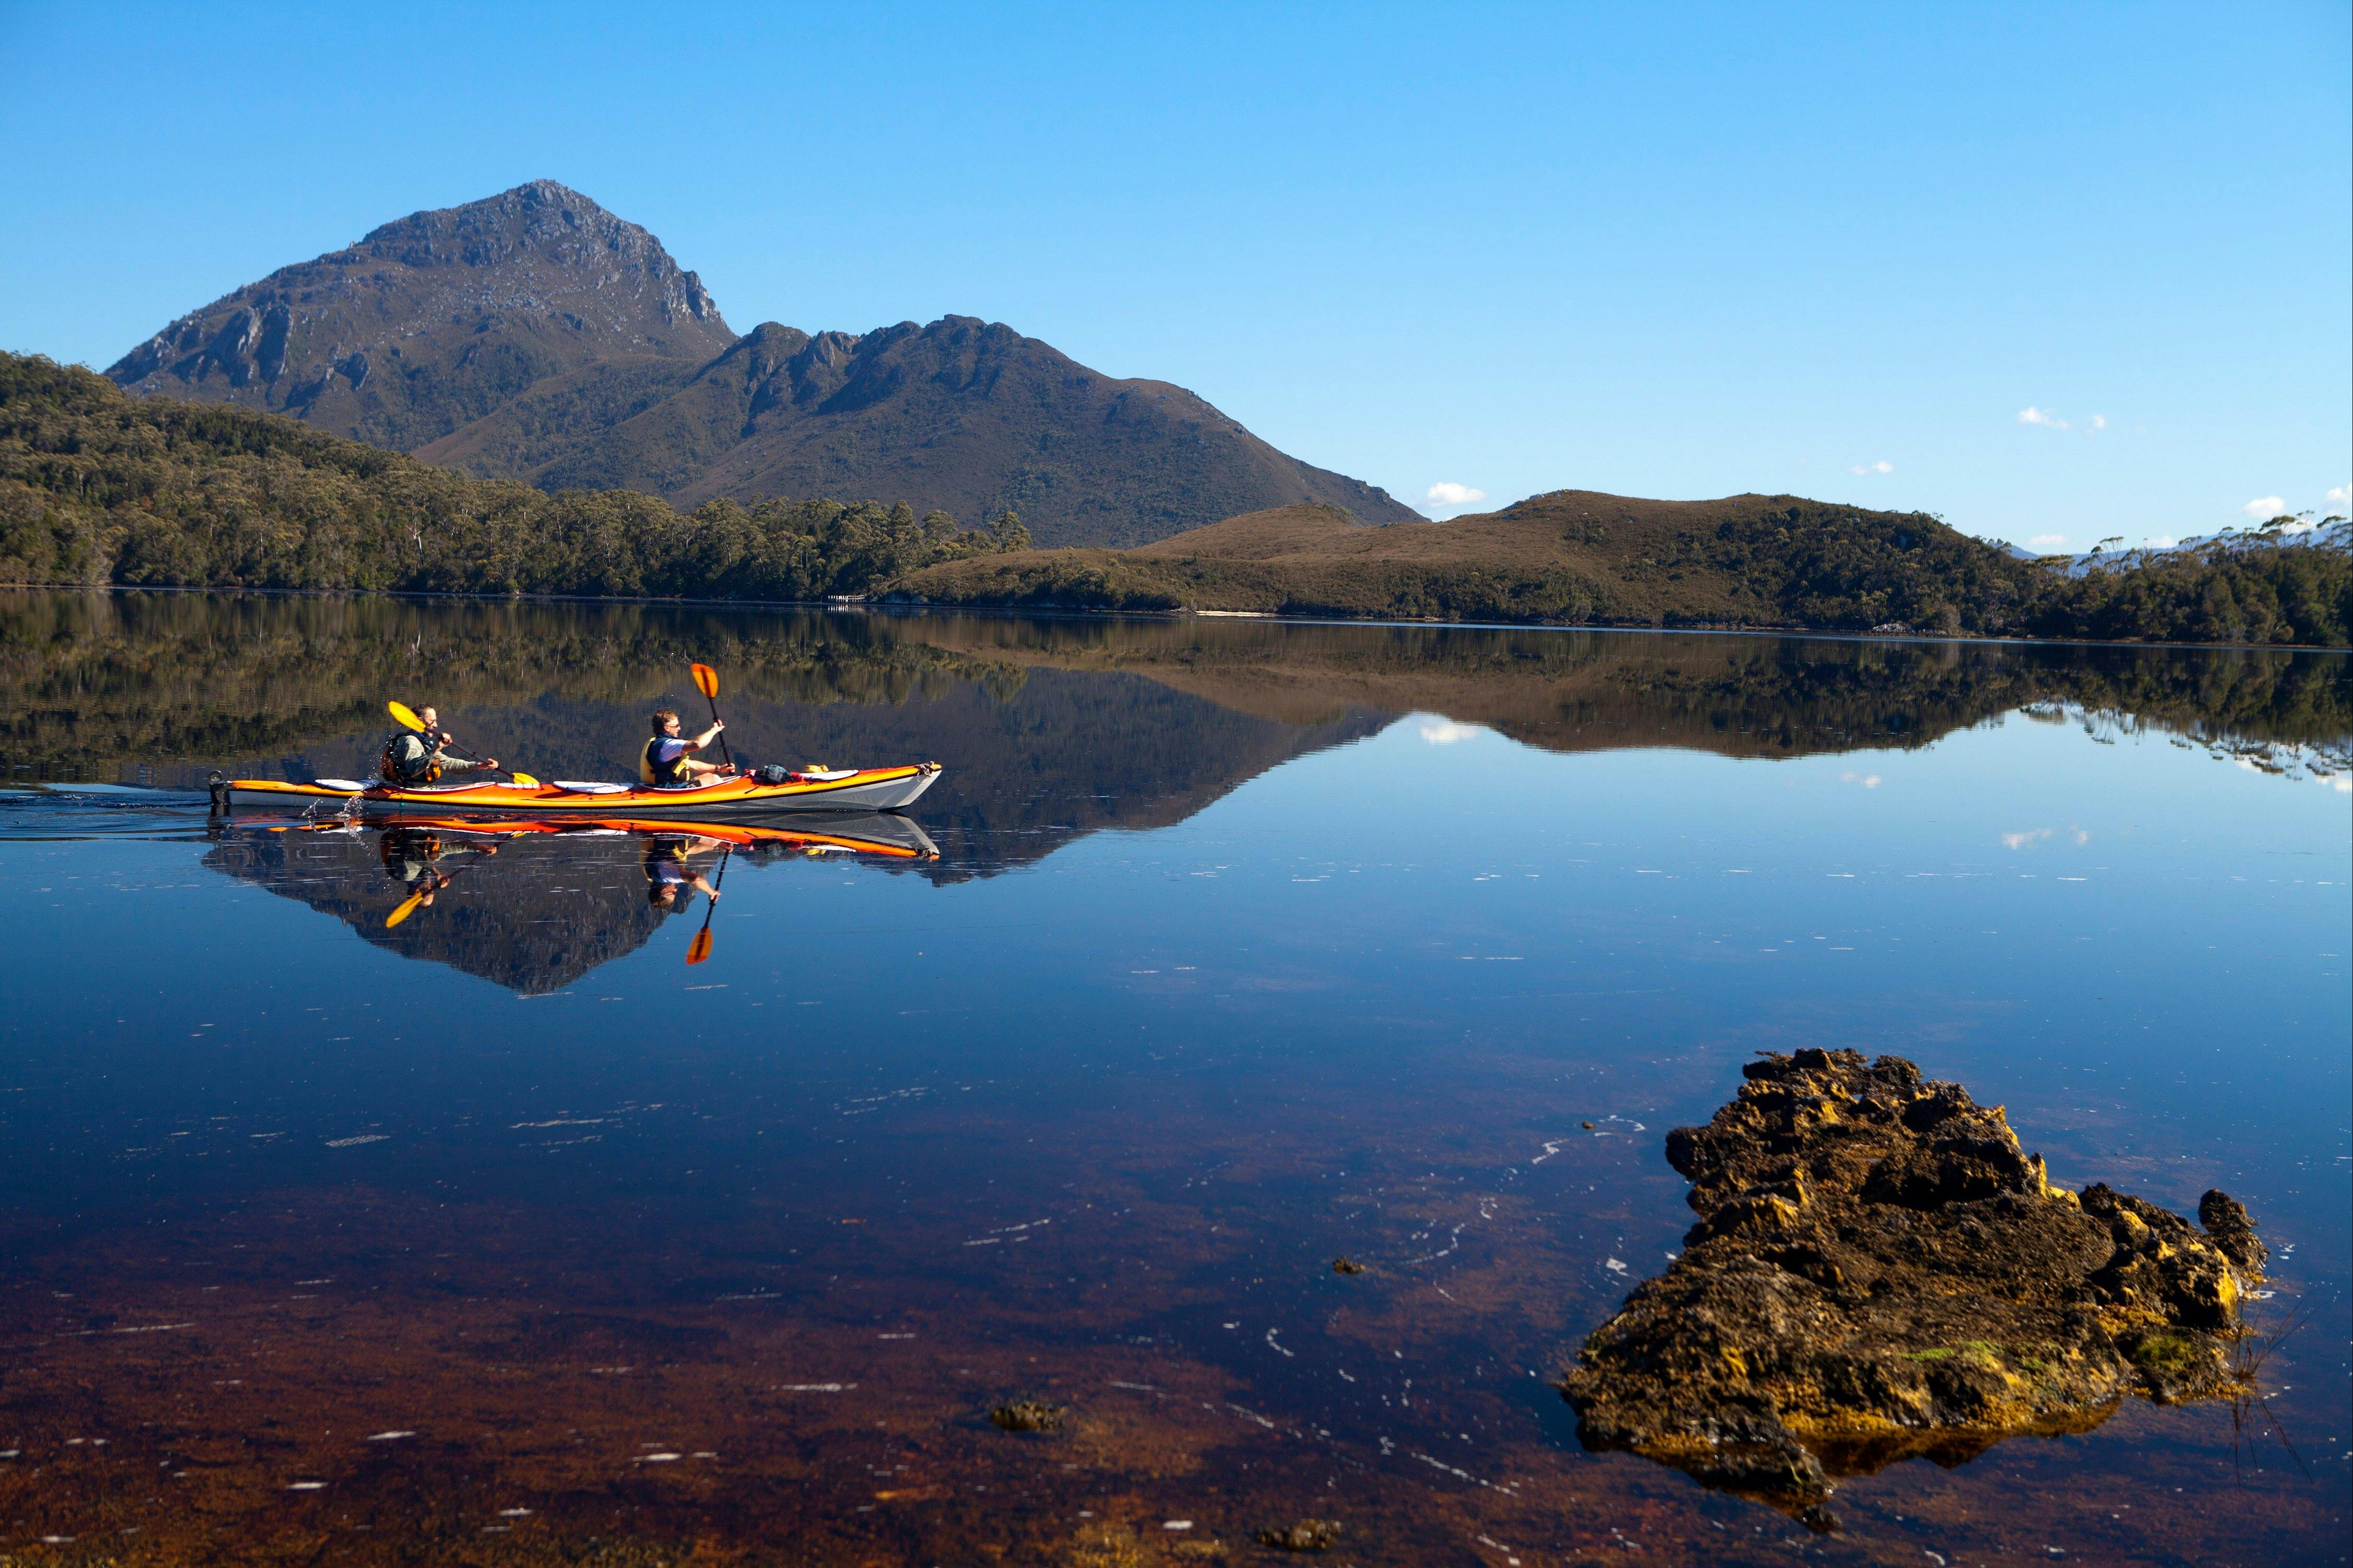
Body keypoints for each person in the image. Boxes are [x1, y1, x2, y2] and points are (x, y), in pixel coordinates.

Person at [382, 705, 498, 786]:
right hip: (409, 791)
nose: (436, 725)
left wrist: (478, 765)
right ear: (420, 721)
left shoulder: (423, 742)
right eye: (432, 722)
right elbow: (414, 769)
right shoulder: (410, 742)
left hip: (423, 790)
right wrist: (436, 749)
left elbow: (448, 764)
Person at [641, 707, 732, 788]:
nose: (679, 728)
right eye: (676, 726)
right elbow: (698, 744)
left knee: (708, 775)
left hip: (668, 786)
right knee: (713, 779)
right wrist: (715, 730)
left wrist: (719, 769)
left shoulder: (658, 742)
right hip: (668, 789)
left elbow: (690, 765)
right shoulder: (668, 745)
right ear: (667, 728)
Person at [642, 833, 725, 910]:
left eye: (673, 893)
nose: (676, 890)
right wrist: (718, 847)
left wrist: (711, 892)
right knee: (714, 843)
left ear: (664, 891)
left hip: (669, 832)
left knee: (714, 841)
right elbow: (690, 850)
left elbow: (696, 880)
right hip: (664, 835)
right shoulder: (655, 875)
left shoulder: (665, 877)